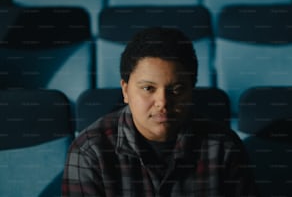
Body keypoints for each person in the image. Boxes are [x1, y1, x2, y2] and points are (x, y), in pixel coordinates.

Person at [62, 27, 258, 196]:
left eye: (177, 90)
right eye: (148, 88)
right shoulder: (90, 151)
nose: (163, 102)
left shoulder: (224, 146)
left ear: (192, 91)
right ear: (125, 91)